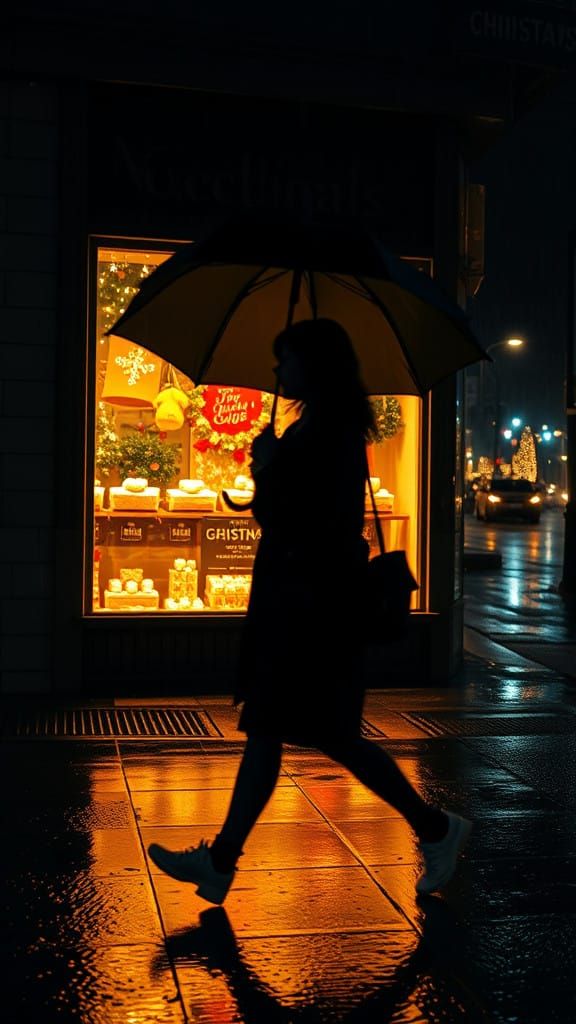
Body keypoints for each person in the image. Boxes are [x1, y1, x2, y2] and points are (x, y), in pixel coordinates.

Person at [148, 318, 472, 905]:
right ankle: (222, 862)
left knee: (319, 735)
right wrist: (272, 468)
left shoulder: (327, 431)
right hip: (309, 609)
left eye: (285, 359)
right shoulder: (329, 427)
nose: (277, 371)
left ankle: (436, 828)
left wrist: (269, 467)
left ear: (312, 365)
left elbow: (299, 521)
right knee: (280, 732)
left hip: (311, 612)